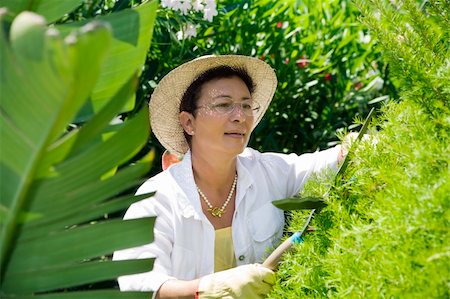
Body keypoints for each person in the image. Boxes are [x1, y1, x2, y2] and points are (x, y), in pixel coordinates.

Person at [113, 55, 347, 299]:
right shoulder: (157, 200)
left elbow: (328, 163)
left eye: (246, 105)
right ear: (189, 122)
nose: (240, 116)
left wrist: (353, 146)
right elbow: (140, 285)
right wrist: (206, 290)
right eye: (224, 105)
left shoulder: (265, 171)